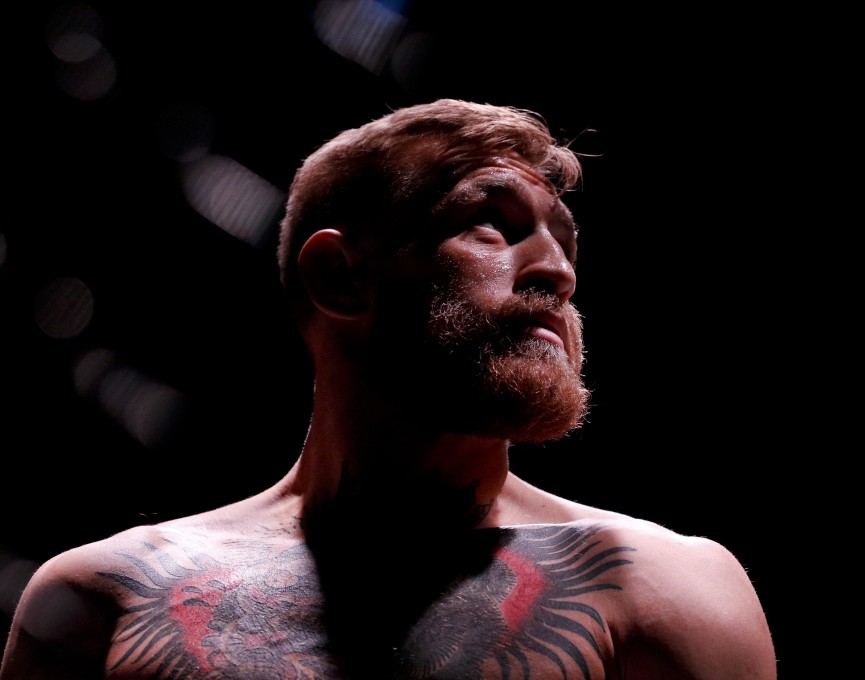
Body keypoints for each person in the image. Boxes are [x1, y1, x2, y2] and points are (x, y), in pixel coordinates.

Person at [0, 99, 776, 679]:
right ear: (341, 276)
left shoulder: (667, 590)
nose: (557, 271)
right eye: (492, 224)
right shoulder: (105, 598)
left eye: (567, 245)